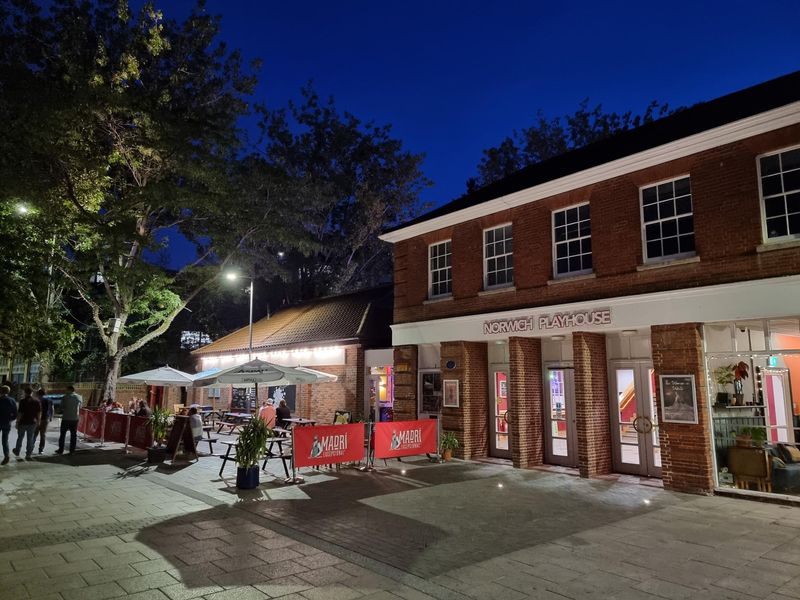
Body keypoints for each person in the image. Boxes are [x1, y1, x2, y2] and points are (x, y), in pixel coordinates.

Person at [13, 386, 40, 460]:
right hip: (32, 422)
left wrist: (17, 422)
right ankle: (28, 454)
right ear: (32, 392)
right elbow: (38, 413)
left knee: (20, 437)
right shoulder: (36, 401)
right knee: (30, 438)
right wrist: (38, 421)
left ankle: (17, 451)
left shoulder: (22, 401)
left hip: (23, 422)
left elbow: (20, 413)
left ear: (25, 392)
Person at [57, 385, 82, 455]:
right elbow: (80, 407)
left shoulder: (65, 397)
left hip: (66, 418)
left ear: (70, 390)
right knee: (73, 435)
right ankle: (72, 451)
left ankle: (60, 449)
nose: (65, 391)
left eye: (66, 390)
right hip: (75, 419)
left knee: (62, 435)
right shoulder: (79, 397)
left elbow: (61, 407)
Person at [0, 385, 17, 465]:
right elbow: (15, 413)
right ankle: (6, 456)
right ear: (8, 392)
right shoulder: (12, 400)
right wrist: (11, 419)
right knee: (5, 440)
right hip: (7, 422)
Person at [33, 389, 53, 454]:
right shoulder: (49, 400)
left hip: (36, 419)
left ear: (38, 393)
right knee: (43, 435)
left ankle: (31, 448)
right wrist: (51, 417)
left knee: (34, 434)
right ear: (45, 393)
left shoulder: (36, 400)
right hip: (45, 418)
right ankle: (41, 449)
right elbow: (52, 408)